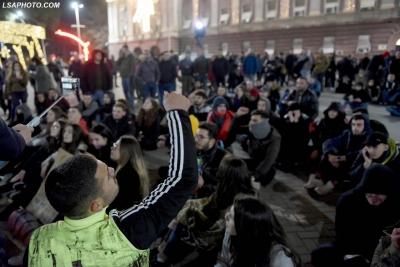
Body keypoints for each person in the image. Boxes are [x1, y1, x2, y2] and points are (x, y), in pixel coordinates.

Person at [24, 92, 197, 266]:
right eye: (107, 175)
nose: (113, 170)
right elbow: (183, 178)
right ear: (96, 205)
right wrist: (177, 113)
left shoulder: (38, 240)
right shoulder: (125, 234)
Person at [152, 155, 255, 267]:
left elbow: (217, 230)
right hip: (217, 235)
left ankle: (162, 258)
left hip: (226, 243)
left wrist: (186, 216)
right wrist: (183, 208)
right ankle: (161, 252)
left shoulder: (241, 202)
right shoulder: (231, 190)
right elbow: (207, 203)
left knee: (185, 228)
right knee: (181, 218)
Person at [311, 165, 400, 267]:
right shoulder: (348, 200)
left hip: (380, 249)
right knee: (320, 254)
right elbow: (343, 237)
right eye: (370, 189)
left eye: (380, 192)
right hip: (350, 246)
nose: (374, 195)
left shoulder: (395, 205)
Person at [216, 195, 302, 267]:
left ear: (245, 228)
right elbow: (223, 260)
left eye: (231, 217)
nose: (226, 217)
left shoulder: (279, 258)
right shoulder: (230, 235)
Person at [306, 114, 372, 195]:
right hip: (341, 159)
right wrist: (330, 155)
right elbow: (330, 142)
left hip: (357, 163)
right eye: (353, 124)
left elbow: (360, 152)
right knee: (327, 155)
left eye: (359, 125)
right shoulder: (347, 134)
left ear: (365, 126)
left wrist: (342, 158)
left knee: (347, 165)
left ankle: (330, 186)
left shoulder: (370, 138)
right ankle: (317, 180)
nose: (355, 127)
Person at [227, 110, 281, 187]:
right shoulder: (252, 129)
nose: (251, 123)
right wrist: (236, 116)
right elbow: (234, 129)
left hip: (266, 168)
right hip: (254, 160)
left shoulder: (274, 138)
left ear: (264, 122)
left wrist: (255, 175)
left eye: (255, 120)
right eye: (251, 120)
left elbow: (269, 159)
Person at [108, 135, 149, 212]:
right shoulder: (129, 169)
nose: (112, 148)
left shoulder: (127, 174)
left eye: (115, 146)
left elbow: (119, 204)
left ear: (125, 151)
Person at [195, 122, 229, 198]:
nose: (196, 140)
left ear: (212, 141)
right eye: (196, 136)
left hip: (209, 196)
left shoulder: (224, 158)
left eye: (201, 137)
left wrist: (203, 185)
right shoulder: (194, 149)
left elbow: (226, 186)